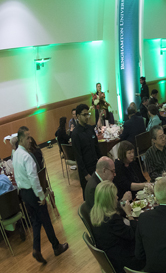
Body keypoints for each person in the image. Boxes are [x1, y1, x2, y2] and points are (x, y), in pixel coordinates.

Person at [13, 127, 69, 264]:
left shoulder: (16, 154)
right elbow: (34, 179)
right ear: (21, 139)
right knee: (46, 220)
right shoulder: (27, 157)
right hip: (33, 193)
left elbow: (17, 175)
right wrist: (42, 196)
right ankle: (56, 247)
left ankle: (36, 249)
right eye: (27, 137)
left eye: (30, 137)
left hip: (24, 194)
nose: (30, 140)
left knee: (36, 221)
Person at [90, 181, 144, 273]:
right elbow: (133, 234)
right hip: (124, 265)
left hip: (111, 258)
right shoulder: (111, 219)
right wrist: (129, 214)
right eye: (115, 196)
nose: (117, 197)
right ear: (109, 200)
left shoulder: (96, 212)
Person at [72, 103, 102, 191]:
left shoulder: (90, 129)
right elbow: (78, 156)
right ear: (78, 116)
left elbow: (97, 148)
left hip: (95, 166)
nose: (87, 117)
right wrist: (85, 174)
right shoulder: (75, 134)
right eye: (84, 115)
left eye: (87, 114)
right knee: (89, 195)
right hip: (85, 170)